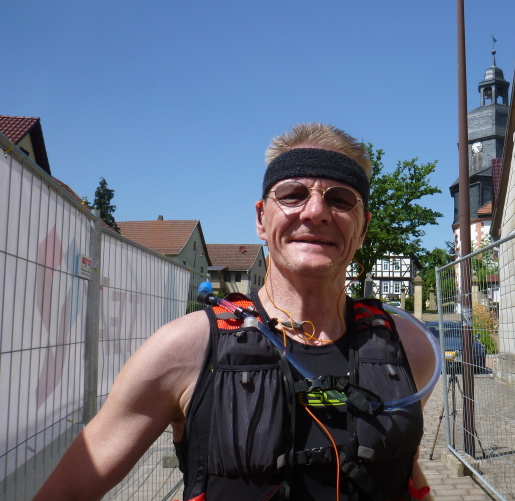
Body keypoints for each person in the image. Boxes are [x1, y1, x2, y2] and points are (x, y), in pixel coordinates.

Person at [33, 123, 436, 501]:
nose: (316, 211)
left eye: (340, 199)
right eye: (293, 194)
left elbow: (404, 468)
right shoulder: (184, 350)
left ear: (362, 228)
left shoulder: (409, 349)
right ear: (261, 218)